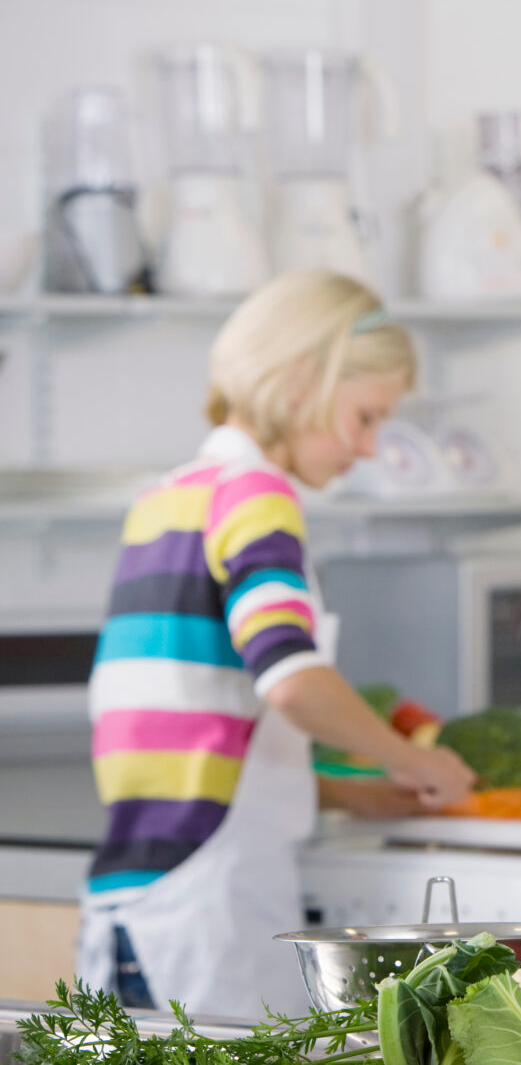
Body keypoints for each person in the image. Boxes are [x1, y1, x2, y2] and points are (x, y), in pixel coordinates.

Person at [79, 270, 476, 1019]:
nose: (366, 447)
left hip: (136, 894)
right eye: (365, 416)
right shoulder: (256, 495)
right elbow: (289, 675)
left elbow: (198, 732)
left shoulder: (164, 499)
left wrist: (354, 794)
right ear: (302, 382)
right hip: (210, 903)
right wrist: (416, 760)